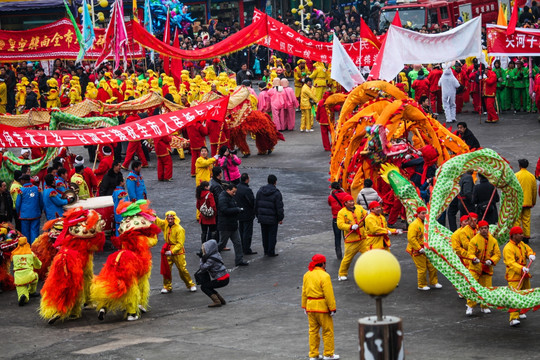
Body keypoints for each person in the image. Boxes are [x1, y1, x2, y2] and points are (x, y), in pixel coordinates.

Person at [301, 254, 339, 360]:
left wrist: (304, 305)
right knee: (327, 331)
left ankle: (313, 354)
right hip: (322, 308)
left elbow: (304, 292)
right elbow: (328, 294)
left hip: (310, 306)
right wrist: (332, 308)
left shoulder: (307, 275)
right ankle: (328, 354)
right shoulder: (325, 276)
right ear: (323, 263)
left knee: (313, 331)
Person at [155, 211, 197, 294]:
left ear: (174, 219)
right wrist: (152, 215)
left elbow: (180, 244)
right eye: (168, 219)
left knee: (182, 269)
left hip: (178, 252)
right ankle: (167, 286)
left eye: (171, 219)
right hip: (167, 249)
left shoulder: (180, 229)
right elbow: (158, 221)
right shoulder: (166, 225)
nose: (170, 220)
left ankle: (190, 284)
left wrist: (172, 251)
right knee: (166, 270)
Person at [466, 220, 501, 316]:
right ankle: (470, 306)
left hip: (487, 268)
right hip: (475, 268)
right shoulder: (474, 240)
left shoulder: (493, 240)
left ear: (488, 229)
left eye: (486, 228)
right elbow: (470, 253)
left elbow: (497, 254)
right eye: (482, 228)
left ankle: (484, 306)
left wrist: (492, 260)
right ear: (479, 229)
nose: (484, 230)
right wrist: (474, 259)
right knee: (473, 287)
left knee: (486, 288)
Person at [503, 226, 535, 327]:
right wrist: (521, 268)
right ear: (514, 236)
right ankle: (513, 318)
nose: (522, 235)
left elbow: (528, 250)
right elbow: (510, 262)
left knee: (525, 292)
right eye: (520, 234)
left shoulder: (521, 244)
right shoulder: (508, 248)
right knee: (515, 296)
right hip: (514, 275)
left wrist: (530, 254)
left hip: (524, 274)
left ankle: (521, 311)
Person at [407, 207, 442, 290]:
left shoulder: (427, 223)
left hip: (427, 248)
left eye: (425, 213)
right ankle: (421, 285)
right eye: (422, 213)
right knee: (422, 268)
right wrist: (419, 248)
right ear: (418, 214)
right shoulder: (414, 224)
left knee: (432, 266)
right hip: (417, 249)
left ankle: (434, 282)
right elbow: (411, 238)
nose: (424, 215)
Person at [336, 194, 367, 281]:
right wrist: (350, 227)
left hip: (363, 239)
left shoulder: (360, 208)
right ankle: (342, 273)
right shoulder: (341, 212)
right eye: (350, 201)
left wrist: (369, 213)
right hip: (351, 241)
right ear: (345, 203)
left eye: (352, 201)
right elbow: (340, 224)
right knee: (347, 259)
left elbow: (366, 215)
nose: (352, 202)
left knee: (369, 255)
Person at [217, 184, 248, 266]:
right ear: (228, 190)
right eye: (233, 192)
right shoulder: (223, 198)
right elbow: (224, 210)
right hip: (226, 226)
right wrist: (237, 209)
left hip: (232, 224)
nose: (234, 194)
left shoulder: (228, 197)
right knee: (222, 244)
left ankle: (239, 260)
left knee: (238, 243)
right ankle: (209, 256)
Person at [255, 174, 284, 257]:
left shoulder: (260, 191)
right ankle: (271, 251)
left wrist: (258, 215)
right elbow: (279, 207)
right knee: (272, 235)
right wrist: (280, 218)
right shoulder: (276, 193)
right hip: (272, 218)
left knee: (264, 235)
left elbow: (256, 204)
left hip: (262, 217)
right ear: (275, 182)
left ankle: (266, 250)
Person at [198, 239, 229, 307]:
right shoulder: (216, 254)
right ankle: (221, 300)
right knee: (209, 286)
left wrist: (201, 259)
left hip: (221, 279)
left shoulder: (211, 259)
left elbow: (202, 267)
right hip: (225, 277)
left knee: (204, 287)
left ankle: (217, 301)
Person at [11, 237, 41, 306]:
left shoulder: (14, 254)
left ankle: (23, 296)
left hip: (18, 276)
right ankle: (32, 291)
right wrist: (38, 266)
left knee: (21, 288)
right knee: (35, 277)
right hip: (29, 274)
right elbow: (37, 264)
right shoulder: (31, 253)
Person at [514, 159, 537, 243]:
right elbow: (534, 190)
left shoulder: (516, 175)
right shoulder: (531, 176)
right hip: (528, 202)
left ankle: (517, 235)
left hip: (518, 202)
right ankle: (526, 237)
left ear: (519, 166)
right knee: (526, 220)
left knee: (517, 220)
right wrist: (533, 201)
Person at [15, 174, 43, 244]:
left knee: (25, 233)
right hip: (36, 214)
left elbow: (18, 204)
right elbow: (41, 202)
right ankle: (34, 248)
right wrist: (40, 210)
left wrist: (18, 213)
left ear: (24, 181)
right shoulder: (37, 189)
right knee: (35, 232)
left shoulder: (21, 190)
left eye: (21, 180)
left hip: (25, 215)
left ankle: (27, 248)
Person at [235, 173, 257, 255]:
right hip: (247, 214)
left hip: (239, 213)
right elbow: (252, 202)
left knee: (241, 231)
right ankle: (246, 248)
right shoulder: (247, 190)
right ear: (247, 179)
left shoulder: (237, 187)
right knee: (247, 232)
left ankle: (242, 247)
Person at [327, 182, 349, 260]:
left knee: (337, 237)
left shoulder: (331, 196)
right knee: (346, 236)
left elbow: (330, 204)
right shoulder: (346, 195)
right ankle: (348, 253)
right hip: (346, 218)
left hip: (336, 218)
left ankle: (339, 254)